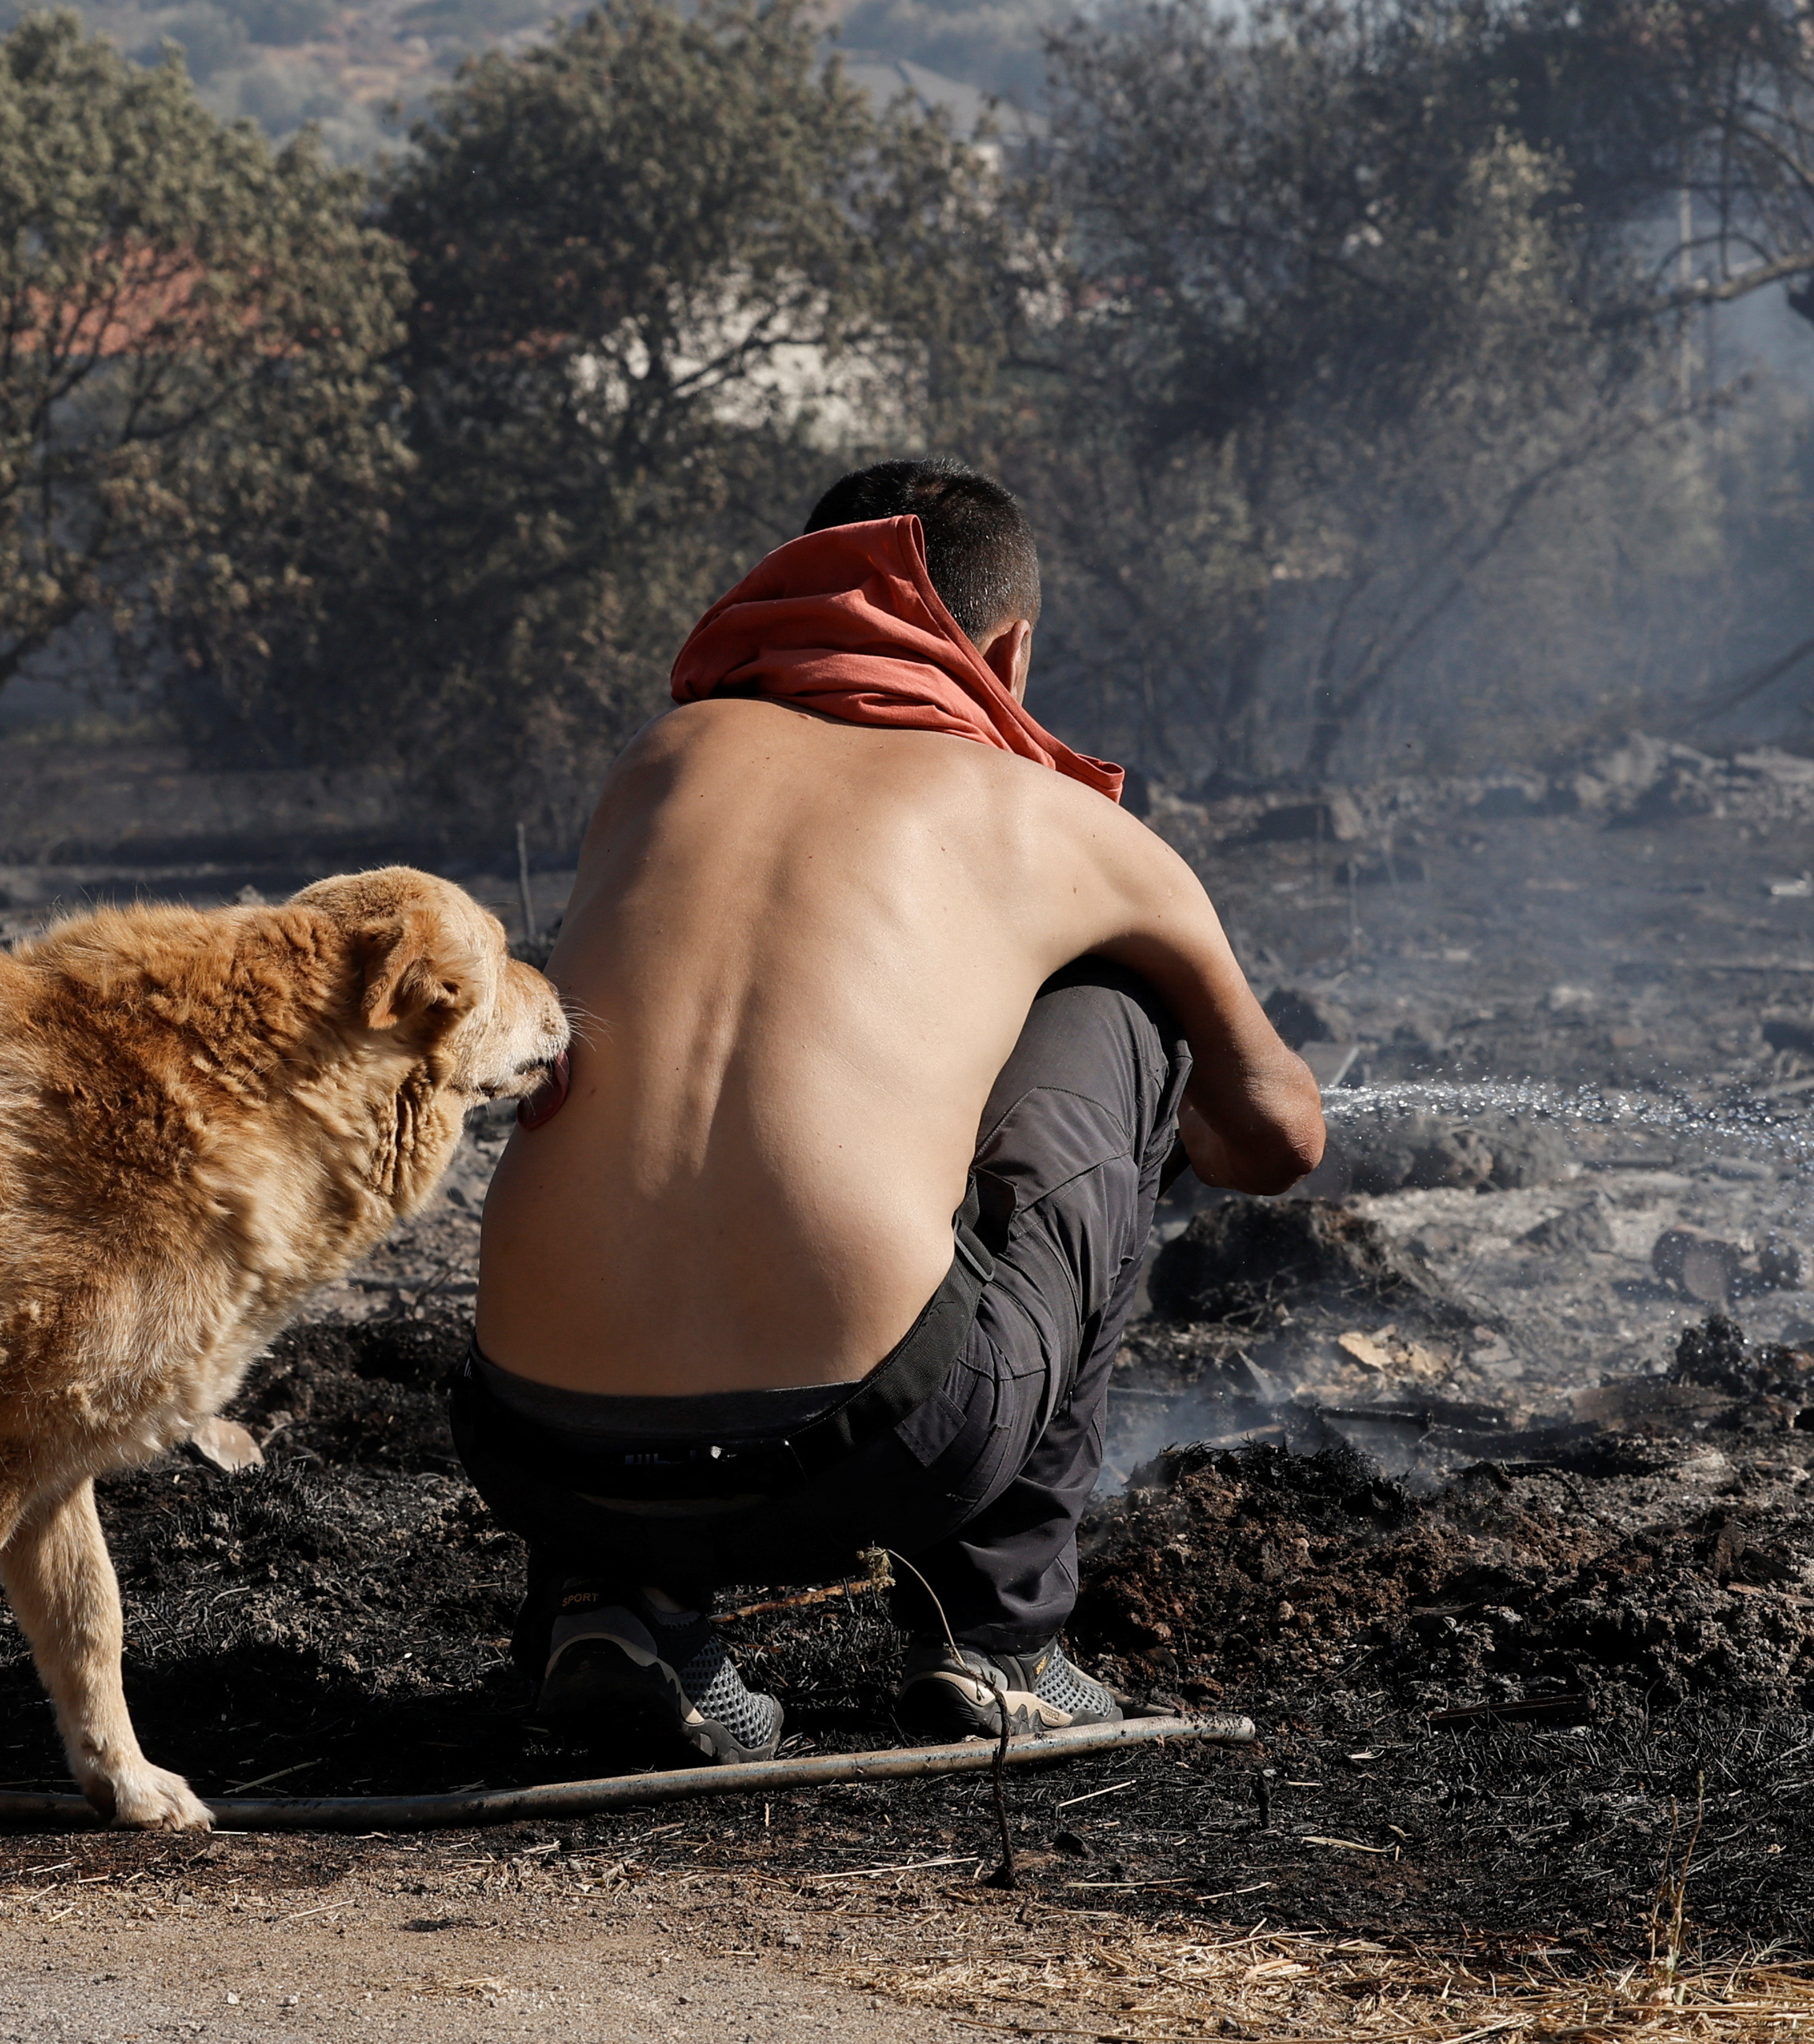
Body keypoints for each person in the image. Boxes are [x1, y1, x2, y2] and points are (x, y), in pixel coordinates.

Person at [455, 460, 1325, 1763]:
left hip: (538, 1445)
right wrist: (1166, 1131)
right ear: (1011, 649)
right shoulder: (1051, 822)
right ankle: (1001, 1636)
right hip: (876, 1448)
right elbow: (1280, 1137)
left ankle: (615, 1606)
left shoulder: (656, 764)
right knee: (1126, 1008)